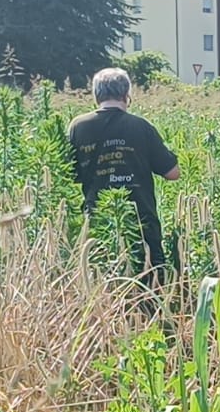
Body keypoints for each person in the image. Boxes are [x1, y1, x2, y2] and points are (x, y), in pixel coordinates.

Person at [67, 68, 180, 288]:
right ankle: (150, 320)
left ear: (96, 95)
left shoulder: (78, 127)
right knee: (151, 285)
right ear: (126, 95)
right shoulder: (141, 126)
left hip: (98, 221)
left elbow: (68, 173)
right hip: (141, 219)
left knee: (102, 282)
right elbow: (172, 173)